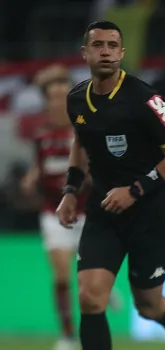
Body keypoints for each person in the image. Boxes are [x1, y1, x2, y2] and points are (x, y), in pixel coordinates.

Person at [56, 21, 165, 350]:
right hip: (105, 209)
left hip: (151, 212)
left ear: (122, 53)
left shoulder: (146, 99)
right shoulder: (76, 100)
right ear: (85, 53)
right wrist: (71, 191)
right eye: (98, 45)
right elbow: (81, 143)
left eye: (113, 45)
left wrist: (135, 190)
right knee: (90, 298)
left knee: (149, 305)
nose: (106, 51)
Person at [20, 65, 86, 350]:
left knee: (88, 278)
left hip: (86, 213)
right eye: (53, 99)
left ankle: (101, 292)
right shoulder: (41, 137)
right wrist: (32, 177)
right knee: (61, 274)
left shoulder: (83, 133)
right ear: (46, 104)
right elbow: (41, 165)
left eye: (62, 98)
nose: (58, 104)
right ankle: (68, 335)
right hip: (53, 212)